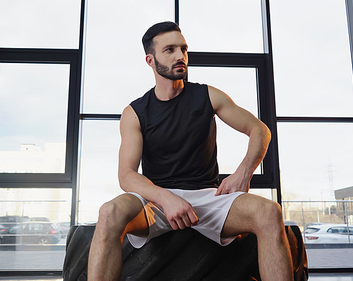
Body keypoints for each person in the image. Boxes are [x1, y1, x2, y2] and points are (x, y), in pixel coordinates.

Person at [88, 21, 293, 281]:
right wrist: (166, 198)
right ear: (150, 60)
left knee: (269, 212)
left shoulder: (207, 95)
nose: (180, 56)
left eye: (183, 49)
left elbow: (260, 130)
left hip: (208, 196)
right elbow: (126, 176)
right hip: (156, 202)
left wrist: (243, 173)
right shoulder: (135, 112)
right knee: (109, 213)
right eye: (170, 50)